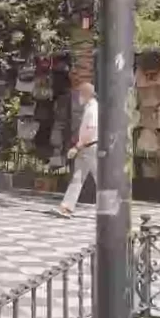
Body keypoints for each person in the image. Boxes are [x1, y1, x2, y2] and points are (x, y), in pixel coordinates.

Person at [56, 82, 98, 218]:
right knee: (77, 178)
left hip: (90, 147)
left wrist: (77, 147)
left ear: (86, 94)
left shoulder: (93, 109)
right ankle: (67, 207)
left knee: (100, 179)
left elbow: (91, 131)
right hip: (85, 147)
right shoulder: (90, 107)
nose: (78, 97)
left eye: (80, 93)